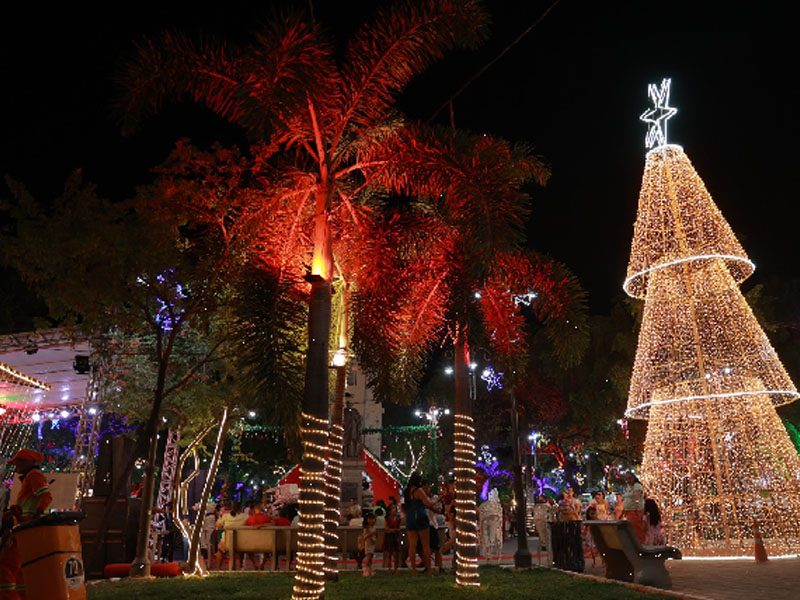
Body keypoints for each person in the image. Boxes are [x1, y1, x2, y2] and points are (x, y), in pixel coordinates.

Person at [0, 449, 53, 599]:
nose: (15, 468)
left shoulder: (34, 476)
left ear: (26, 462)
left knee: (8, 566)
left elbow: (45, 496)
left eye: (17, 463)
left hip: (26, 528)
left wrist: (37, 514)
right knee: (21, 568)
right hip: (25, 527)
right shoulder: (30, 476)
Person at [403, 473, 441, 576]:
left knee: (412, 545)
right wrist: (437, 499)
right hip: (420, 517)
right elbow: (428, 503)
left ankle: (414, 570)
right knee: (425, 545)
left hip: (410, 517)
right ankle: (428, 570)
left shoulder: (407, 492)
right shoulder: (418, 491)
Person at [215, 501, 248, 569]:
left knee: (220, 551)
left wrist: (224, 528)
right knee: (241, 550)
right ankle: (241, 564)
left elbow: (218, 525)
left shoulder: (226, 516)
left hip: (227, 541)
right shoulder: (245, 516)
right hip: (241, 542)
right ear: (241, 508)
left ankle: (218, 567)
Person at [244, 502, 271, 570]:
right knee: (268, 551)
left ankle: (254, 563)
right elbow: (273, 524)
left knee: (248, 550)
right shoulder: (266, 518)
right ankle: (262, 564)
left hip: (251, 543)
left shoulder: (250, 519)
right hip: (265, 543)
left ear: (254, 510)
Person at [622, 473, 646, 542]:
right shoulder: (629, 487)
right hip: (629, 512)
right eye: (626, 479)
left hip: (634, 512)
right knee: (632, 530)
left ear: (634, 478)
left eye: (629, 478)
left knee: (637, 530)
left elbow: (637, 497)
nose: (628, 480)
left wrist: (636, 509)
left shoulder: (637, 486)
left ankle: (640, 545)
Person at [382, 504, 401, 574]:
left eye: (395, 508)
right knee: (389, 554)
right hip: (389, 537)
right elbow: (386, 528)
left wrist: (393, 530)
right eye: (393, 508)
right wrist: (393, 530)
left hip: (395, 537)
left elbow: (398, 528)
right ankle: (389, 568)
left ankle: (396, 568)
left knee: (396, 554)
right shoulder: (387, 518)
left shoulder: (398, 519)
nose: (394, 510)